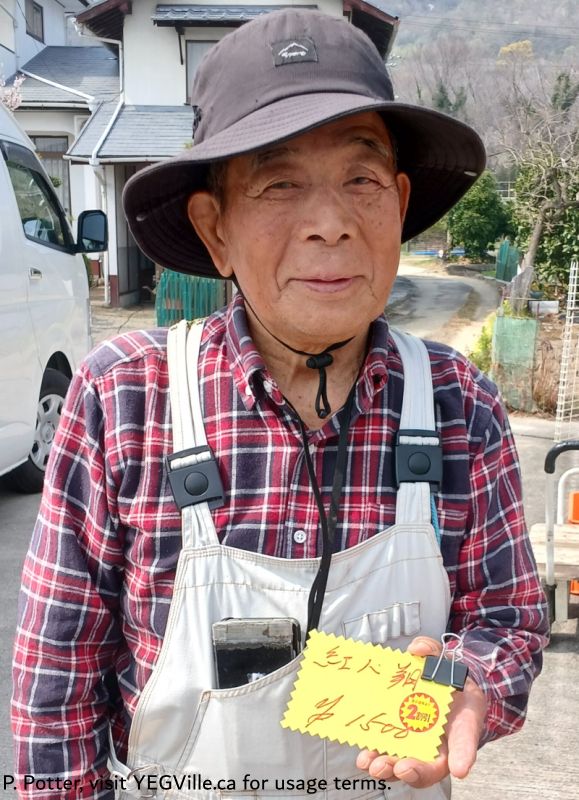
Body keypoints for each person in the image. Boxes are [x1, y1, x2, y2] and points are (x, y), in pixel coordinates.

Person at [12, 9, 548, 800]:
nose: (329, 224)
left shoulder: (456, 400)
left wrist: (462, 683)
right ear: (214, 227)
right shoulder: (124, 395)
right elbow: (53, 699)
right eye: (279, 183)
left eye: (360, 180)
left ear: (398, 205)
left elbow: (506, 620)